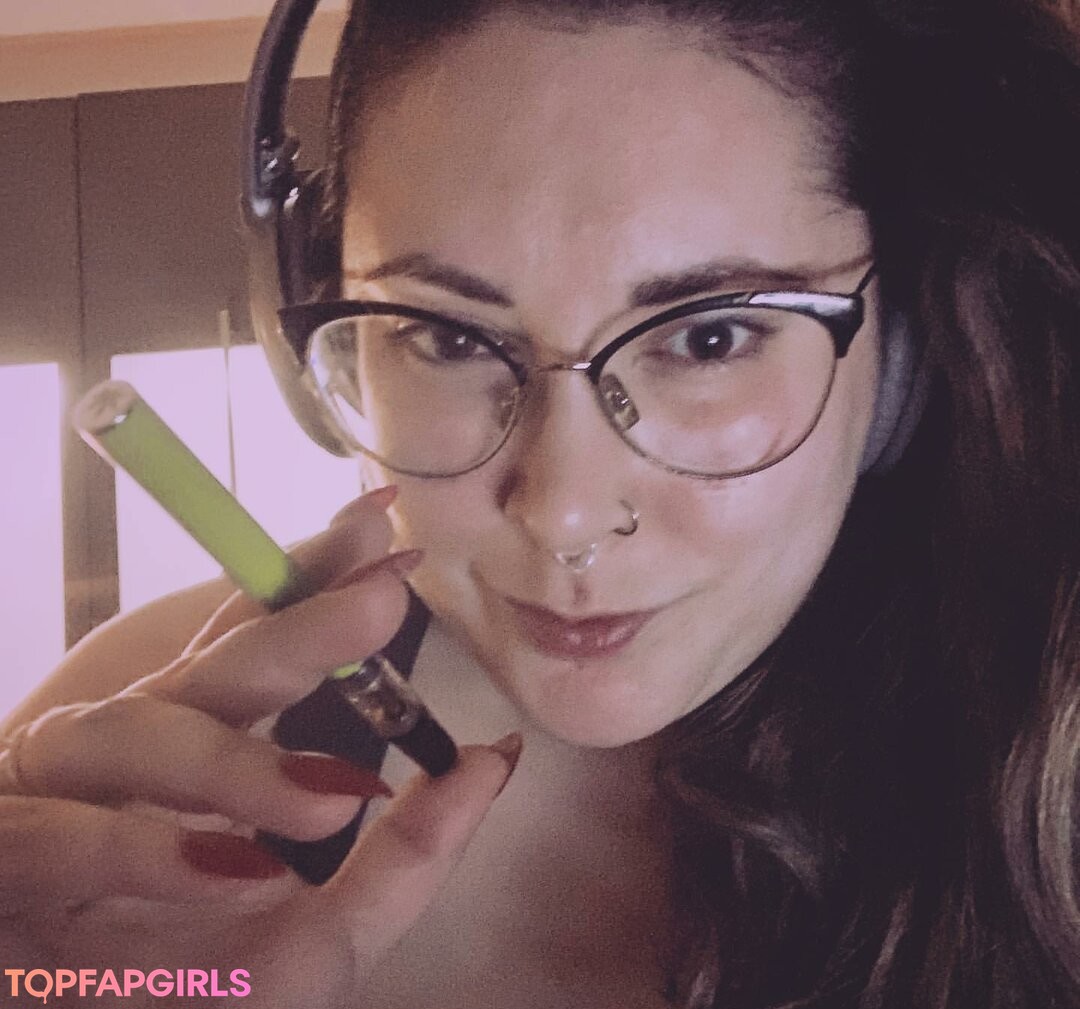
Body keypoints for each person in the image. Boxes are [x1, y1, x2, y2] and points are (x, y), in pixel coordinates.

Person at [2, 0, 1078, 1006]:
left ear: (901, 357)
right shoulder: (146, 760)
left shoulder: (1047, 752)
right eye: (446, 336)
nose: (562, 511)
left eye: (710, 338)